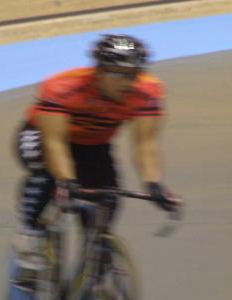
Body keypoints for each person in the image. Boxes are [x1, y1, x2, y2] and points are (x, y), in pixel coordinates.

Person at [9, 34, 180, 292]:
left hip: (93, 146)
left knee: (107, 200)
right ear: (98, 70)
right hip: (43, 137)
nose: (127, 82)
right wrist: (66, 182)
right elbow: (54, 143)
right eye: (118, 74)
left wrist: (154, 184)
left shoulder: (147, 92)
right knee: (45, 175)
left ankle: (94, 259)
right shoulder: (62, 87)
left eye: (133, 74)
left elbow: (145, 144)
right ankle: (30, 236)